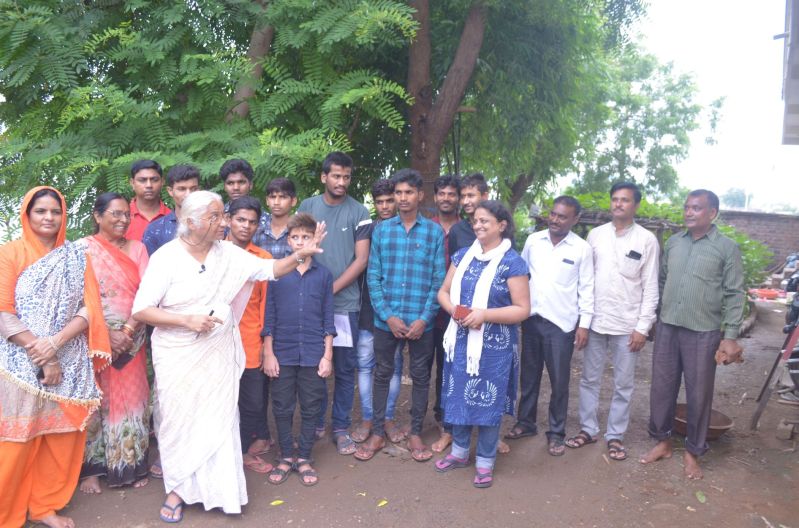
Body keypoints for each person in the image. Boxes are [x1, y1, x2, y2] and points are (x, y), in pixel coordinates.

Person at [131, 191, 326, 522]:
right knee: (179, 420)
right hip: (178, 352)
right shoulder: (167, 257)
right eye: (215, 217)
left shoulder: (229, 255)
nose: (223, 222)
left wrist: (299, 255)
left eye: (223, 215)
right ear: (190, 222)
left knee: (219, 420)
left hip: (218, 348)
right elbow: (142, 309)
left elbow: (270, 269)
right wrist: (186, 320)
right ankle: (177, 489)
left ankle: (221, 490)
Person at [0, 186, 111, 528]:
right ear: (27, 215)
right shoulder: (10, 253)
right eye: (41, 211)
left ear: (63, 216)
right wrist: (44, 355)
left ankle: (45, 506)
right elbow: (3, 310)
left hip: (72, 358)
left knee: (63, 437)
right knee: (17, 439)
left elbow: (90, 308)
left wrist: (57, 343)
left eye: (55, 211)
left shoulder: (77, 256)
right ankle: (6, 513)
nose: (49, 218)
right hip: (19, 362)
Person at [640, 189, 744, 480]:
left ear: (712, 213)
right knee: (662, 387)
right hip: (669, 326)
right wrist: (655, 318)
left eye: (696, 208)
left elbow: (735, 293)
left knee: (699, 393)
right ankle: (662, 441)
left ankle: (692, 451)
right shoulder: (674, 243)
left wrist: (731, 335)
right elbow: (660, 281)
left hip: (704, 331)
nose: (688, 212)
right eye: (686, 207)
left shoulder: (726, 248)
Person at [434, 201, 530, 488]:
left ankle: (485, 462)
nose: (478, 226)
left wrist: (484, 316)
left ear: (501, 225)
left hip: (495, 348)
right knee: (459, 396)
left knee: (488, 401)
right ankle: (460, 452)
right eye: (475, 221)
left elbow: (522, 309)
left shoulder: (512, 262)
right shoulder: (463, 256)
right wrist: (454, 311)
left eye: (485, 221)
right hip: (461, 341)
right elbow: (443, 291)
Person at [355, 169, 445, 463]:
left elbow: (438, 279)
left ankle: (416, 430)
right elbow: (374, 277)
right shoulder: (382, 230)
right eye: (398, 193)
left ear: (420, 195)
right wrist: (388, 316)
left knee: (420, 377)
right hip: (387, 321)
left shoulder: (433, 232)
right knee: (382, 374)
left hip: (422, 321)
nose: (403, 198)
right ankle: (379, 432)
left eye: (409, 192)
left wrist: (424, 318)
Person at [565, 182, 659, 461]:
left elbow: (651, 286)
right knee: (589, 379)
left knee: (623, 384)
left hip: (627, 326)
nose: (619, 204)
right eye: (615, 199)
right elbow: (585, 280)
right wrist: (583, 321)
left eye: (625, 200)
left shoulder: (646, 240)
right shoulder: (595, 236)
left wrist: (643, 327)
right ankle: (588, 429)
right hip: (595, 322)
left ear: (636, 205)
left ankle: (615, 436)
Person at [508, 196, 594, 457]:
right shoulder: (534, 241)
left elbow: (587, 287)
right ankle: (526, 423)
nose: (555, 220)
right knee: (529, 376)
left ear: (575, 219)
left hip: (562, 324)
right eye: (553, 214)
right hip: (532, 319)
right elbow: (520, 274)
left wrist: (584, 324)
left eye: (563, 216)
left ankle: (556, 433)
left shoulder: (581, 249)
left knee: (559, 381)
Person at [298, 152, 371, 455]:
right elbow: (299, 248)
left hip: (345, 306)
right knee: (312, 365)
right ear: (324, 177)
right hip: (308, 304)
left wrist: (330, 290)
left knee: (343, 367)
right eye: (336, 176)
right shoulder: (307, 207)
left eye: (347, 177)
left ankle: (340, 426)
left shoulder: (360, 211)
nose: (342, 182)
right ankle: (314, 421)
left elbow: (361, 260)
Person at [79, 193, 151, 494]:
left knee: (133, 400)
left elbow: (149, 293)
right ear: (97, 216)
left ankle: (130, 465)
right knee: (96, 403)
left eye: (126, 215)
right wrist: (106, 334)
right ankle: (91, 472)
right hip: (93, 339)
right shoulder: (82, 249)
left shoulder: (138, 249)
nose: (122, 220)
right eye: (115, 214)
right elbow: (77, 298)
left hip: (133, 337)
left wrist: (128, 330)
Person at [262, 213, 335, 487]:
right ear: (288, 240)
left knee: (311, 406)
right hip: (282, 352)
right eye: (296, 237)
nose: (301, 241)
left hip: (314, 353)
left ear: (313, 239)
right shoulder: (277, 273)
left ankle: (304, 456)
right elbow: (268, 317)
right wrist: (268, 352)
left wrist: (327, 355)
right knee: (281, 407)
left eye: (306, 236)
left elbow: (329, 317)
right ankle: (285, 456)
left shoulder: (324, 275)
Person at [352, 179, 406, 445]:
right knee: (364, 366)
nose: (385, 206)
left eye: (389, 201)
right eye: (380, 202)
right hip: (367, 308)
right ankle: (367, 418)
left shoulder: (406, 230)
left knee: (393, 367)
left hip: (396, 310)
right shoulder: (367, 229)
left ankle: (388, 418)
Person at [225, 196, 274, 474]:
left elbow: (268, 307)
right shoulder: (213, 254)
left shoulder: (263, 259)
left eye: (252, 221)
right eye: (240, 219)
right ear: (229, 219)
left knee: (253, 404)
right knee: (220, 403)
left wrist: (268, 347)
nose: (246, 226)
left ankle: (242, 452)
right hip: (216, 344)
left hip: (251, 343)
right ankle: (226, 456)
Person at [430, 174, 461, 453]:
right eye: (442, 193)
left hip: (458, 312)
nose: (447, 198)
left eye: (452, 194)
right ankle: (439, 417)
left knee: (449, 366)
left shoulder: (468, 229)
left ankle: (453, 419)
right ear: (435, 196)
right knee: (428, 366)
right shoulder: (428, 227)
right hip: (430, 310)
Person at [142, 164, 200, 256]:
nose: (189, 194)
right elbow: (151, 267)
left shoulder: (214, 224)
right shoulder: (156, 229)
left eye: (194, 189)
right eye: (182, 189)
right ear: (170, 191)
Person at [447, 173, 489, 259]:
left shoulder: (499, 227)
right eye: (462, 197)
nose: (465, 202)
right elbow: (455, 265)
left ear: (484, 196)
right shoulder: (456, 230)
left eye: (471, 196)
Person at [127, 160, 171, 241]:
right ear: (132, 183)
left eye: (154, 180)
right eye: (142, 180)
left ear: (162, 182)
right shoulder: (122, 217)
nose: (149, 185)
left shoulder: (172, 218)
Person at [254, 177, 298, 259]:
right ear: (267, 200)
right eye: (273, 197)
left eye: (283, 197)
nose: (276, 202)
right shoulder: (257, 232)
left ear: (293, 201)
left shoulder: (299, 232)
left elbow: (304, 263)